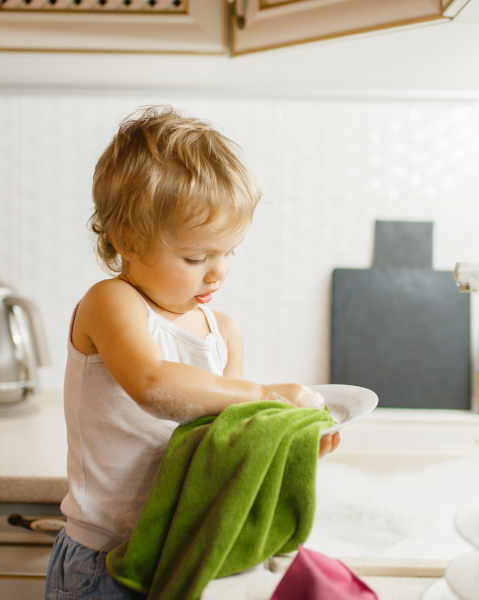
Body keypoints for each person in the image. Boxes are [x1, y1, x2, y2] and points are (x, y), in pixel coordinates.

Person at [46, 105, 340, 600]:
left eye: (230, 252)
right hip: (101, 563)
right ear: (127, 240)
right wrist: (266, 394)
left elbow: (222, 441)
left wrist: (287, 440)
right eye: (196, 257)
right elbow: (154, 385)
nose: (218, 272)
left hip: (180, 550)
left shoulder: (224, 332)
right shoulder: (112, 303)